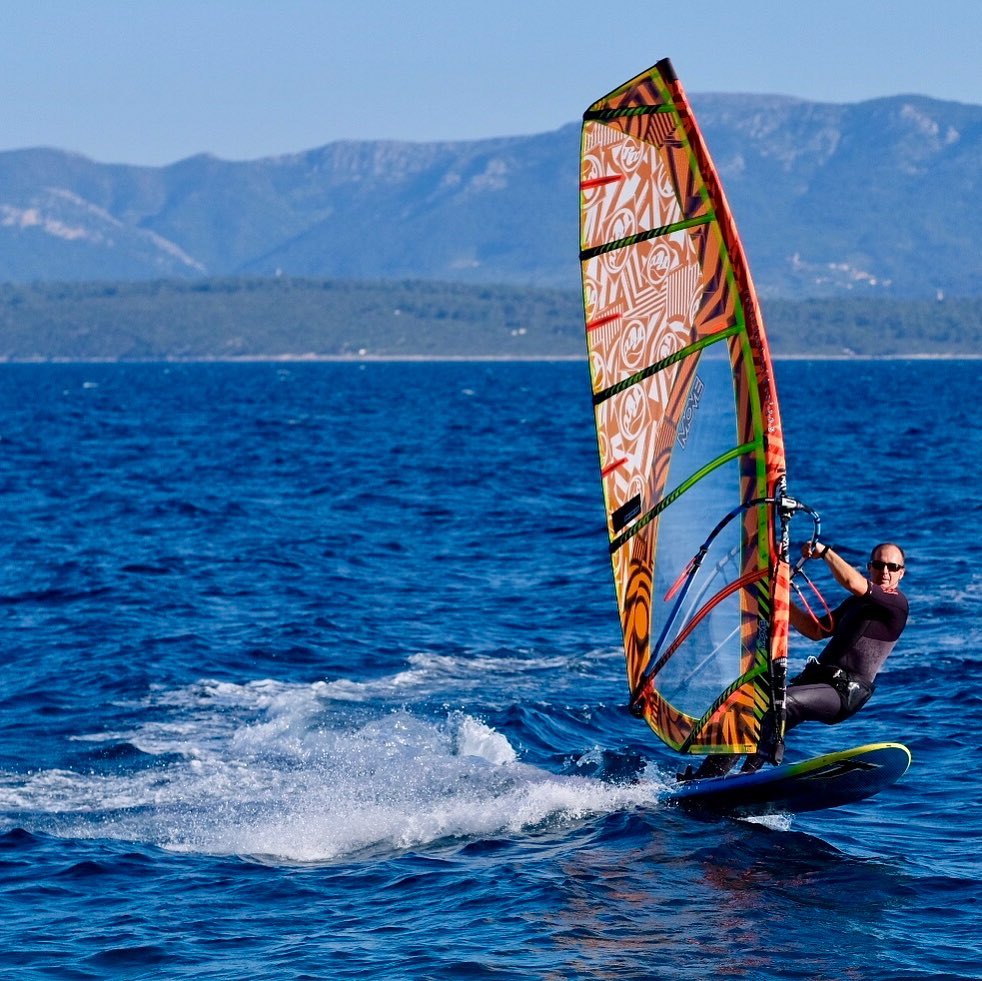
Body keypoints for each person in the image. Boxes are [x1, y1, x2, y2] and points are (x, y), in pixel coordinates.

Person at [683, 540, 909, 780]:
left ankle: (746, 777)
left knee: (781, 705)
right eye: (879, 564)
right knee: (753, 710)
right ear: (870, 567)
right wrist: (781, 601)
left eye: (892, 567)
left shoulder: (897, 604)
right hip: (820, 683)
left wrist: (825, 552)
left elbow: (853, 583)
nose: (885, 571)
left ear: (901, 573)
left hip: (845, 693)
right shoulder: (856, 604)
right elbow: (816, 630)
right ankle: (704, 780)